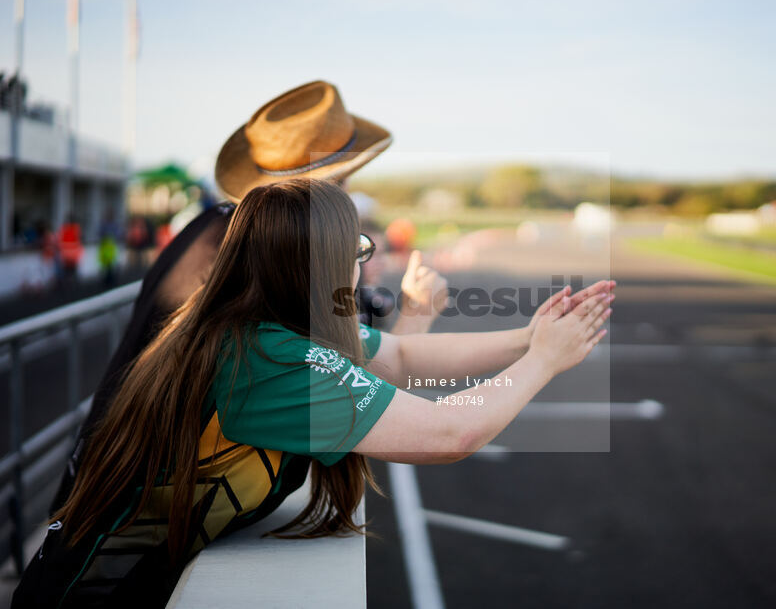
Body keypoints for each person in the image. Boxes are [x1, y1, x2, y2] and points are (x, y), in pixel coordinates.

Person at [13, 179, 613, 607]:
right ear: (320, 263)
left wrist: (531, 337)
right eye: (357, 251)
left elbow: (403, 355)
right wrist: (541, 365)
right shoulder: (268, 361)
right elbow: (450, 434)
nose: (366, 266)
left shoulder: (258, 326)